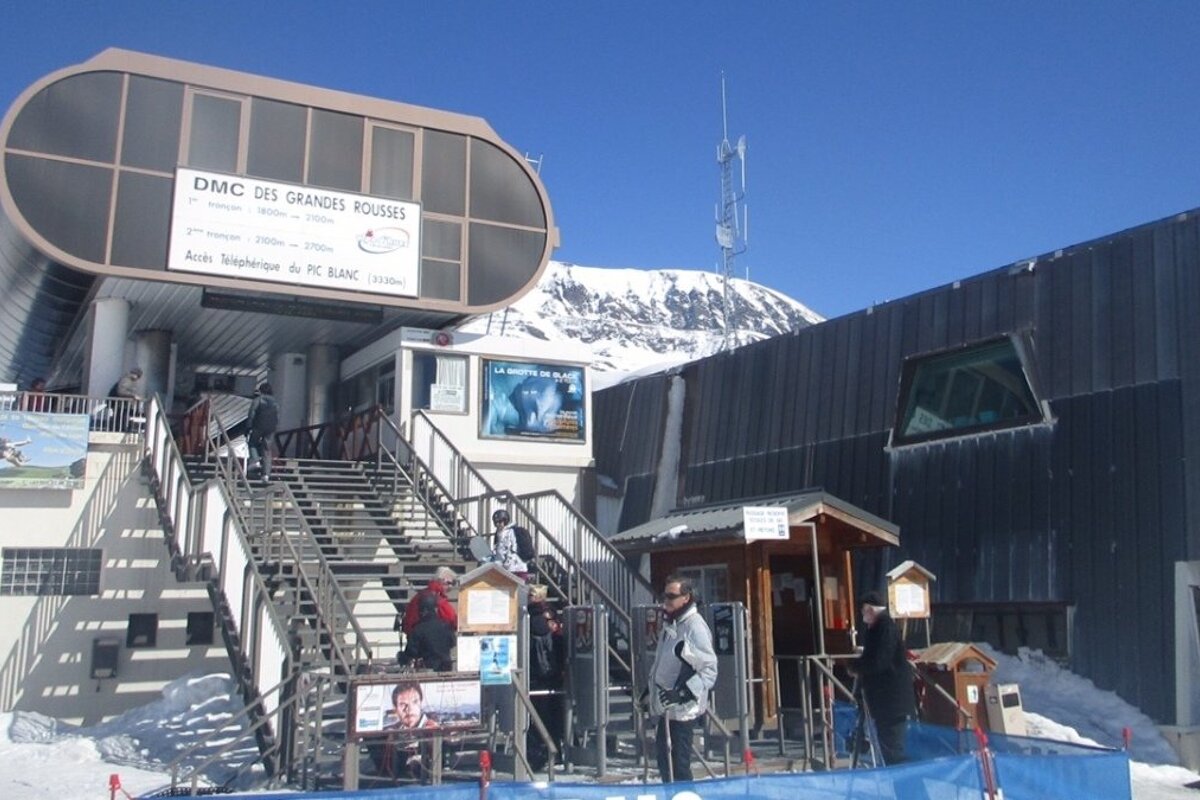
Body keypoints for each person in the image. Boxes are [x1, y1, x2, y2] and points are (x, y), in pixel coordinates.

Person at [647, 574, 718, 783]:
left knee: (679, 768)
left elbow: (709, 669)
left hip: (683, 711)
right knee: (665, 765)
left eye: (672, 596)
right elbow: (665, 663)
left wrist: (684, 692)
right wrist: (648, 693)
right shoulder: (673, 625)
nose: (666, 600)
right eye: (664, 595)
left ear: (686, 598)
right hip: (667, 709)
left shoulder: (694, 627)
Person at [850, 590, 916, 765]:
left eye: (864, 611)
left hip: (892, 700)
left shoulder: (884, 627)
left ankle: (907, 788)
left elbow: (880, 660)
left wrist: (857, 666)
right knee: (888, 746)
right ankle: (900, 786)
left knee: (893, 749)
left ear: (870, 610)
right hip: (883, 699)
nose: (862, 615)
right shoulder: (876, 628)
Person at [397, 593, 455, 672]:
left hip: (427, 670)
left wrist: (402, 657)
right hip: (446, 668)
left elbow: (411, 652)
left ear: (423, 610)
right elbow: (452, 642)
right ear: (435, 609)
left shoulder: (419, 629)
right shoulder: (445, 625)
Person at [400, 567, 458, 636]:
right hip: (431, 638)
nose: (450, 587)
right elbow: (452, 619)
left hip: (415, 636)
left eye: (453, 584)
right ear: (440, 580)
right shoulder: (438, 599)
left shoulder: (420, 595)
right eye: (448, 583)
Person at [245, 382, 278, 479]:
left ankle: (255, 461)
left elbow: (252, 414)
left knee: (252, 443)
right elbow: (277, 416)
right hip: (271, 428)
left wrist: (248, 427)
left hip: (258, 426)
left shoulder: (258, 400)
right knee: (267, 449)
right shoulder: (275, 402)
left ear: (261, 391)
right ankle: (266, 474)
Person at [488, 508, 528, 579]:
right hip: (519, 568)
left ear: (505, 521)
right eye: (496, 522)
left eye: (500, 522)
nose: (497, 524)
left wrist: (498, 563)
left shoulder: (509, 533)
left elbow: (506, 552)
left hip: (514, 569)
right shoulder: (500, 533)